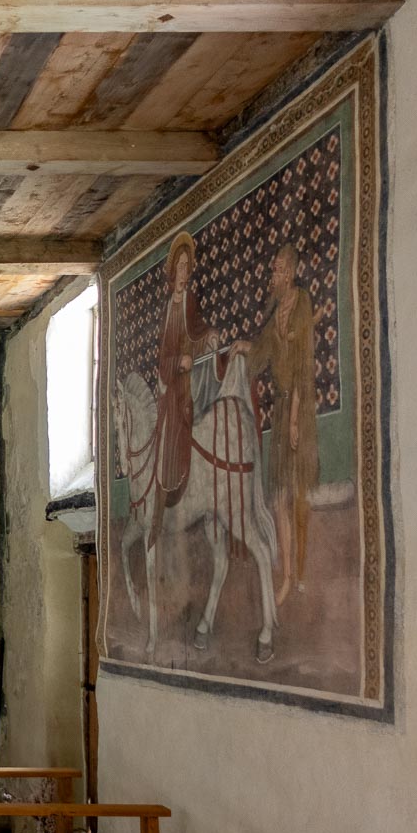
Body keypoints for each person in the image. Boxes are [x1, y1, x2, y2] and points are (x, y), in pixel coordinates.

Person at [231, 244, 319, 608]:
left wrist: (296, 417)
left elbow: (302, 365)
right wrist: (243, 347)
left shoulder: (302, 304)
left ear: (292, 272)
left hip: (301, 408)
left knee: (297, 492)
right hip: (282, 410)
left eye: (279, 269)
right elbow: (263, 353)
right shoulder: (276, 312)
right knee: (279, 496)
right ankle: (286, 576)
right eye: (273, 270)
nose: (273, 276)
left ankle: (300, 573)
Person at [153, 232, 223, 511]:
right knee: (171, 429)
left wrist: (210, 337)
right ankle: (173, 486)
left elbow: (197, 331)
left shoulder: (190, 301)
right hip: (173, 386)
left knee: (201, 416)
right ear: (173, 271)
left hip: (190, 382)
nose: (184, 272)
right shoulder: (167, 309)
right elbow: (162, 359)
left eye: (186, 266)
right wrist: (177, 362)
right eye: (180, 267)